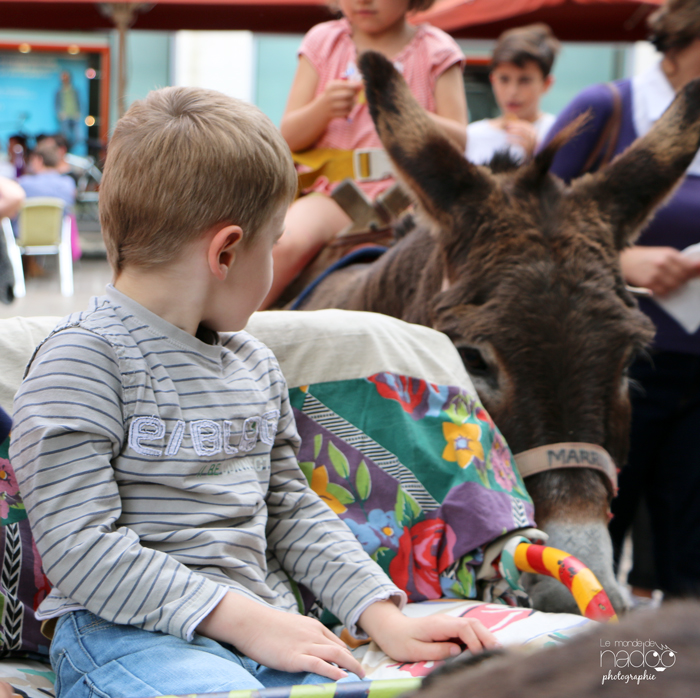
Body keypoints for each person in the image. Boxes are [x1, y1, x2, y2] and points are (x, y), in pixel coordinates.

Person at [9, 86, 496, 698]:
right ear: (228, 251)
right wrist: (247, 621)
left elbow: (292, 509)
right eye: (275, 242)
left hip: (261, 631)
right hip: (125, 637)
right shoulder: (84, 360)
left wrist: (380, 615)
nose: (273, 262)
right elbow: (81, 549)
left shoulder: (254, 365)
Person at [542, 0, 700, 601]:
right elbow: (529, 221)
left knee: (687, 562)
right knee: (595, 559)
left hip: (696, 367)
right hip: (617, 368)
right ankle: (607, 682)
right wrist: (621, 258)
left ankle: (668, 682)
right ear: (685, 38)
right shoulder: (606, 107)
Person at [262, 0, 468, 308]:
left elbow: (459, 141)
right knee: (282, 244)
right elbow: (287, 137)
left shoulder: (437, 49)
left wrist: (407, 109)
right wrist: (322, 110)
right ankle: (232, 337)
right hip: (336, 195)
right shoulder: (323, 40)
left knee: (456, 262)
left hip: (412, 198)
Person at [465, 24, 559, 166]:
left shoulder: (557, 134)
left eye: (525, 80)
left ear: (546, 84)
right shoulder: (471, 135)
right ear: (493, 80)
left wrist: (540, 155)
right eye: (504, 79)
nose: (512, 91)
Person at [18, 140, 76, 209]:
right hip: (58, 220)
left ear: (39, 160)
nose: (30, 164)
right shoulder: (68, 183)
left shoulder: (24, 183)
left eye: (32, 160)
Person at [55, 71, 81, 150]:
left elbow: (79, 102)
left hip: (74, 116)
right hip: (65, 117)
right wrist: (60, 114)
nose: (64, 79)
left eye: (66, 77)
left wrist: (79, 113)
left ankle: (70, 150)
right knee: (65, 136)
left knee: (79, 137)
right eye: (63, 78)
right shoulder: (59, 91)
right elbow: (56, 104)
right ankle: (67, 151)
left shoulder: (74, 90)